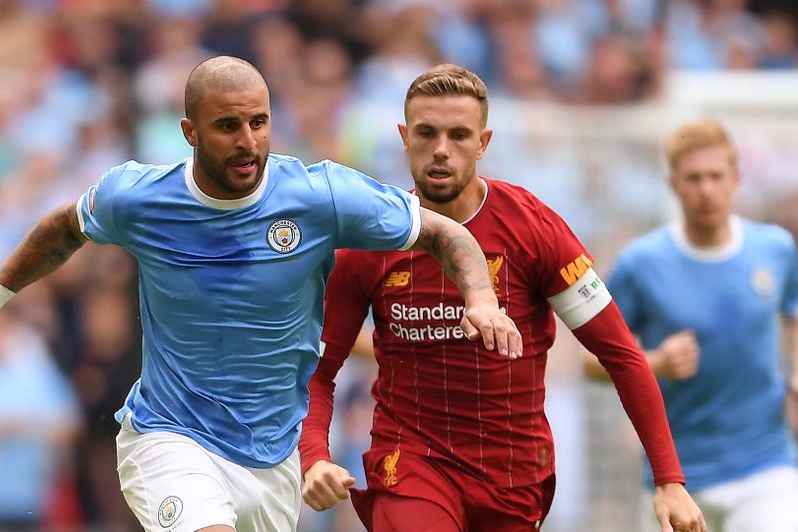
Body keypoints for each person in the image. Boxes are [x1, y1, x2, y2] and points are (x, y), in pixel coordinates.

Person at [0, 56, 522, 532]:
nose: (248, 142)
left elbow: (446, 233)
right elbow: (64, 229)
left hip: (274, 457)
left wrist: (481, 299)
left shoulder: (320, 195)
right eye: (227, 127)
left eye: (260, 122)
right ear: (189, 132)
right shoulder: (137, 198)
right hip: (170, 437)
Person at [298, 64, 705, 532]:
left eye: (459, 135)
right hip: (411, 462)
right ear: (404, 137)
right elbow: (319, 369)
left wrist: (669, 480)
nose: (441, 151)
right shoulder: (372, 240)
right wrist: (314, 457)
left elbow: (621, 356)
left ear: (484, 143)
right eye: (427, 133)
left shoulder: (534, 229)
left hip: (512, 474)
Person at [583, 119, 798, 531]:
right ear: (673, 184)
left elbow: (792, 314)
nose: (706, 190)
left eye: (716, 177)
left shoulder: (774, 249)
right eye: (694, 179)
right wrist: (656, 361)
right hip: (676, 476)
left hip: (765, 466)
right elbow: (589, 361)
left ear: (735, 179)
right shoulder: (641, 264)